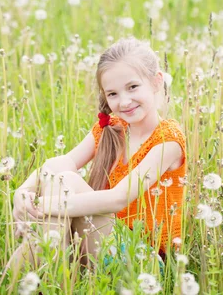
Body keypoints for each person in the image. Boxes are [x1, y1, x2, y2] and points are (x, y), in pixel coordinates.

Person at [10, 37, 187, 271]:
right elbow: (62, 163)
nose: (124, 101)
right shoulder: (110, 128)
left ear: (156, 82)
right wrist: (23, 192)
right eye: (112, 94)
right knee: (60, 178)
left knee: (66, 183)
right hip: (101, 243)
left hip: (144, 261)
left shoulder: (168, 140)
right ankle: (52, 277)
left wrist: (40, 205)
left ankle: (24, 280)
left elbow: (118, 199)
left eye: (133, 87)